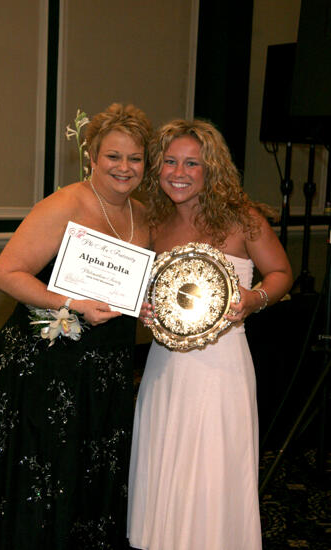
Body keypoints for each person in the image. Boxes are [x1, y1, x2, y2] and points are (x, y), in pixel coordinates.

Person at [0, 103, 152, 550]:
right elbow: (5, 274)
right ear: (91, 156)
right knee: (41, 479)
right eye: (113, 156)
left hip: (102, 372)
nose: (124, 168)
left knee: (85, 479)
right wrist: (74, 303)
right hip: (44, 370)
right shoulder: (65, 203)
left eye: (135, 158)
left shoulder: (144, 216)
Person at [127, 119, 293, 550]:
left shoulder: (242, 219)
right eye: (169, 161)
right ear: (157, 167)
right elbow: (148, 292)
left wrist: (254, 299)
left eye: (192, 163)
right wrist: (144, 309)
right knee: (168, 464)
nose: (178, 172)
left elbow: (281, 273)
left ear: (211, 169)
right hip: (165, 366)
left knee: (212, 470)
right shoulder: (153, 224)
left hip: (221, 368)